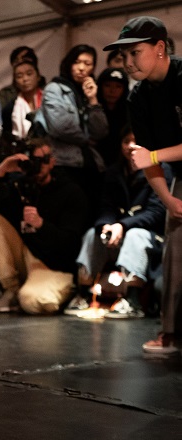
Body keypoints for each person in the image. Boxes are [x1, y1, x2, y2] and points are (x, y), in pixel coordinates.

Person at [103, 16, 182, 353]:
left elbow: (149, 157)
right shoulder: (138, 99)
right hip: (179, 176)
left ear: (160, 48)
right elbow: (145, 158)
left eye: (135, 52)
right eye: (124, 56)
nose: (129, 62)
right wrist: (168, 200)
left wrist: (152, 157)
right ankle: (172, 332)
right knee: (175, 252)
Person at [67, 127, 170, 318]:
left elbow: (156, 213)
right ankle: (82, 294)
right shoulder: (115, 171)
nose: (131, 146)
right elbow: (106, 206)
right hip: (118, 231)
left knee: (134, 235)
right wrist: (106, 225)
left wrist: (122, 225)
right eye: (126, 141)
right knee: (93, 234)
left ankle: (132, 301)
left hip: (152, 237)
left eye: (135, 141)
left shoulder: (160, 169)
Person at [0, 138, 88, 314]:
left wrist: (42, 225)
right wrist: (0, 174)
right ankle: (13, 289)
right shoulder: (19, 186)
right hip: (26, 256)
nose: (38, 166)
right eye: (33, 161)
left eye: (42, 161)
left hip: (53, 265)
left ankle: (56, 292)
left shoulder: (70, 192)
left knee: (33, 302)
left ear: (52, 162)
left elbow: (71, 243)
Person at [32, 44, 108, 217]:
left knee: (90, 215)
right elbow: (61, 127)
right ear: (68, 64)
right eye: (77, 62)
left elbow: (101, 131)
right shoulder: (55, 88)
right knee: (70, 216)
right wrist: (87, 139)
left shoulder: (88, 91)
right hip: (65, 165)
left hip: (91, 166)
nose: (82, 68)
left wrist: (93, 100)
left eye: (88, 64)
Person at [96, 68, 130, 166]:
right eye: (107, 85)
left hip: (121, 162)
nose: (112, 91)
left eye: (118, 86)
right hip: (95, 162)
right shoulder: (93, 108)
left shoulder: (129, 111)